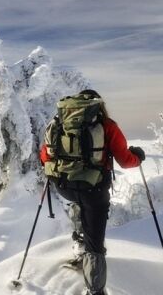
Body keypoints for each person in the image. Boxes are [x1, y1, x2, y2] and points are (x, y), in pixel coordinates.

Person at [39, 89, 145, 295]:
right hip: (93, 189)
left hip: (64, 186)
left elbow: (45, 156)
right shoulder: (106, 125)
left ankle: (80, 250)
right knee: (95, 243)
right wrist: (138, 157)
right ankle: (95, 290)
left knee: (79, 206)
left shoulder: (58, 124)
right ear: (98, 105)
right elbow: (125, 160)